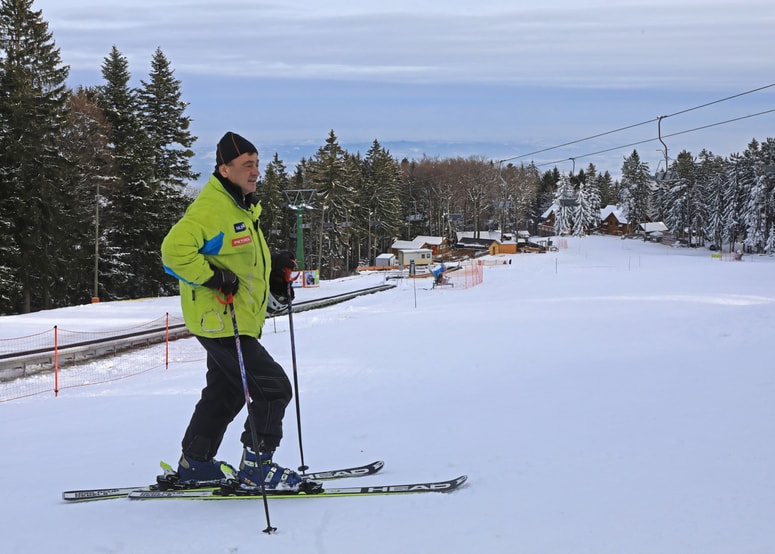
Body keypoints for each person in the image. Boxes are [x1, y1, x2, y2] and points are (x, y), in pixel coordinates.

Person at [161, 131, 301, 491]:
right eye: (246, 165)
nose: (255, 172)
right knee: (273, 389)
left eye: (256, 164)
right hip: (221, 321)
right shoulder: (210, 209)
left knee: (228, 392)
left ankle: (195, 463)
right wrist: (211, 278)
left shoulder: (241, 206)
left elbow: (240, 260)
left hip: (233, 320)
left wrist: (273, 270)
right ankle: (257, 467)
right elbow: (173, 254)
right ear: (224, 169)